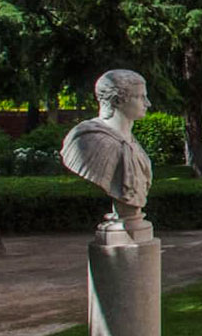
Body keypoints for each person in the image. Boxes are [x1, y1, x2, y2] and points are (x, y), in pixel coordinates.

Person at [61, 70, 154, 235]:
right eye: (140, 97)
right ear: (118, 100)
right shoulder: (90, 141)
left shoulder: (132, 142)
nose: (147, 103)